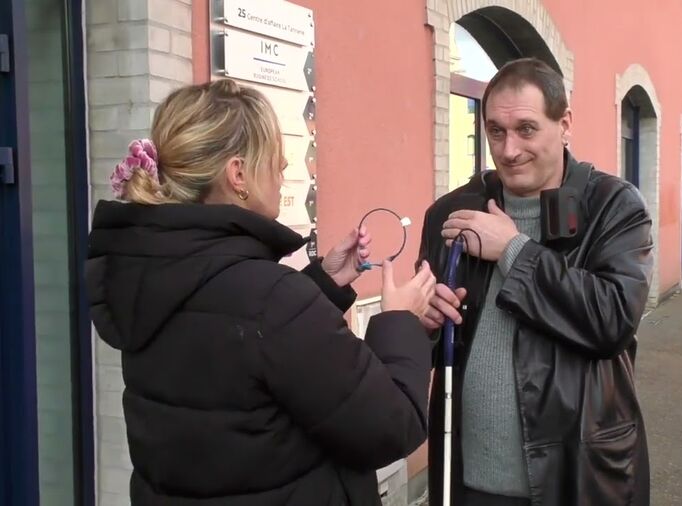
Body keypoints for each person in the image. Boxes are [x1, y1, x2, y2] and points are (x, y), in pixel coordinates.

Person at [86, 79, 436, 506]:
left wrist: (322, 284)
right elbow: (392, 425)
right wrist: (400, 321)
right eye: (275, 163)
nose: (283, 174)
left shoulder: (147, 274)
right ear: (238, 175)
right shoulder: (271, 299)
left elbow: (232, 352)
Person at [417, 58, 654, 506]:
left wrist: (514, 250)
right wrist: (422, 319)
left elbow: (613, 319)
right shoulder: (452, 214)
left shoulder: (613, 206)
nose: (508, 150)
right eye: (496, 131)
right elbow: (431, 340)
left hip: (577, 478)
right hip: (470, 483)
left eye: (526, 129)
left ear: (564, 124)